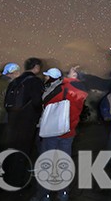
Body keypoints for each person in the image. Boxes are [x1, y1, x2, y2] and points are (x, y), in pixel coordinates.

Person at [31, 67, 88, 201]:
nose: (68, 72)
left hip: (53, 130)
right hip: (69, 131)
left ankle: (44, 194)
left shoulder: (64, 87)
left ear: (74, 75)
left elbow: (45, 100)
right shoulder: (83, 90)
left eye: (71, 71)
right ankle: (63, 193)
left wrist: (63, 80)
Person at [4, 57, 44, 187]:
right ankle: (18, 180)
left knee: (12, 147)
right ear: (36, 67)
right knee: (24, 149)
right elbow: (37, 102)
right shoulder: (35, 82)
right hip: (27, 121)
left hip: (12, 119)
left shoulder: (15, 81)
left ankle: (7, 176)